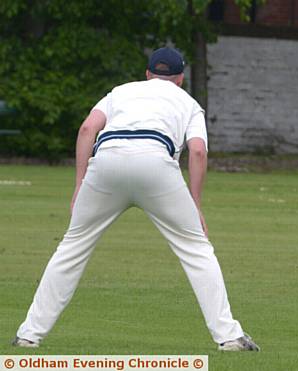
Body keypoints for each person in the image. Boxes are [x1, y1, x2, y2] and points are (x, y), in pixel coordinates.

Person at [11, 47, 259, 351]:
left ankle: (29, 334)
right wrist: (195, 205)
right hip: (156, 165)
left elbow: (88, 128)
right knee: (196, 249)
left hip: (106, 164)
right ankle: (229, 336)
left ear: (147, 73)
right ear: (180, 78)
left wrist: (79, 185)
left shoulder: (120, 92)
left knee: (71, 247)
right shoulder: (188, 102)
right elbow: (197, 151)